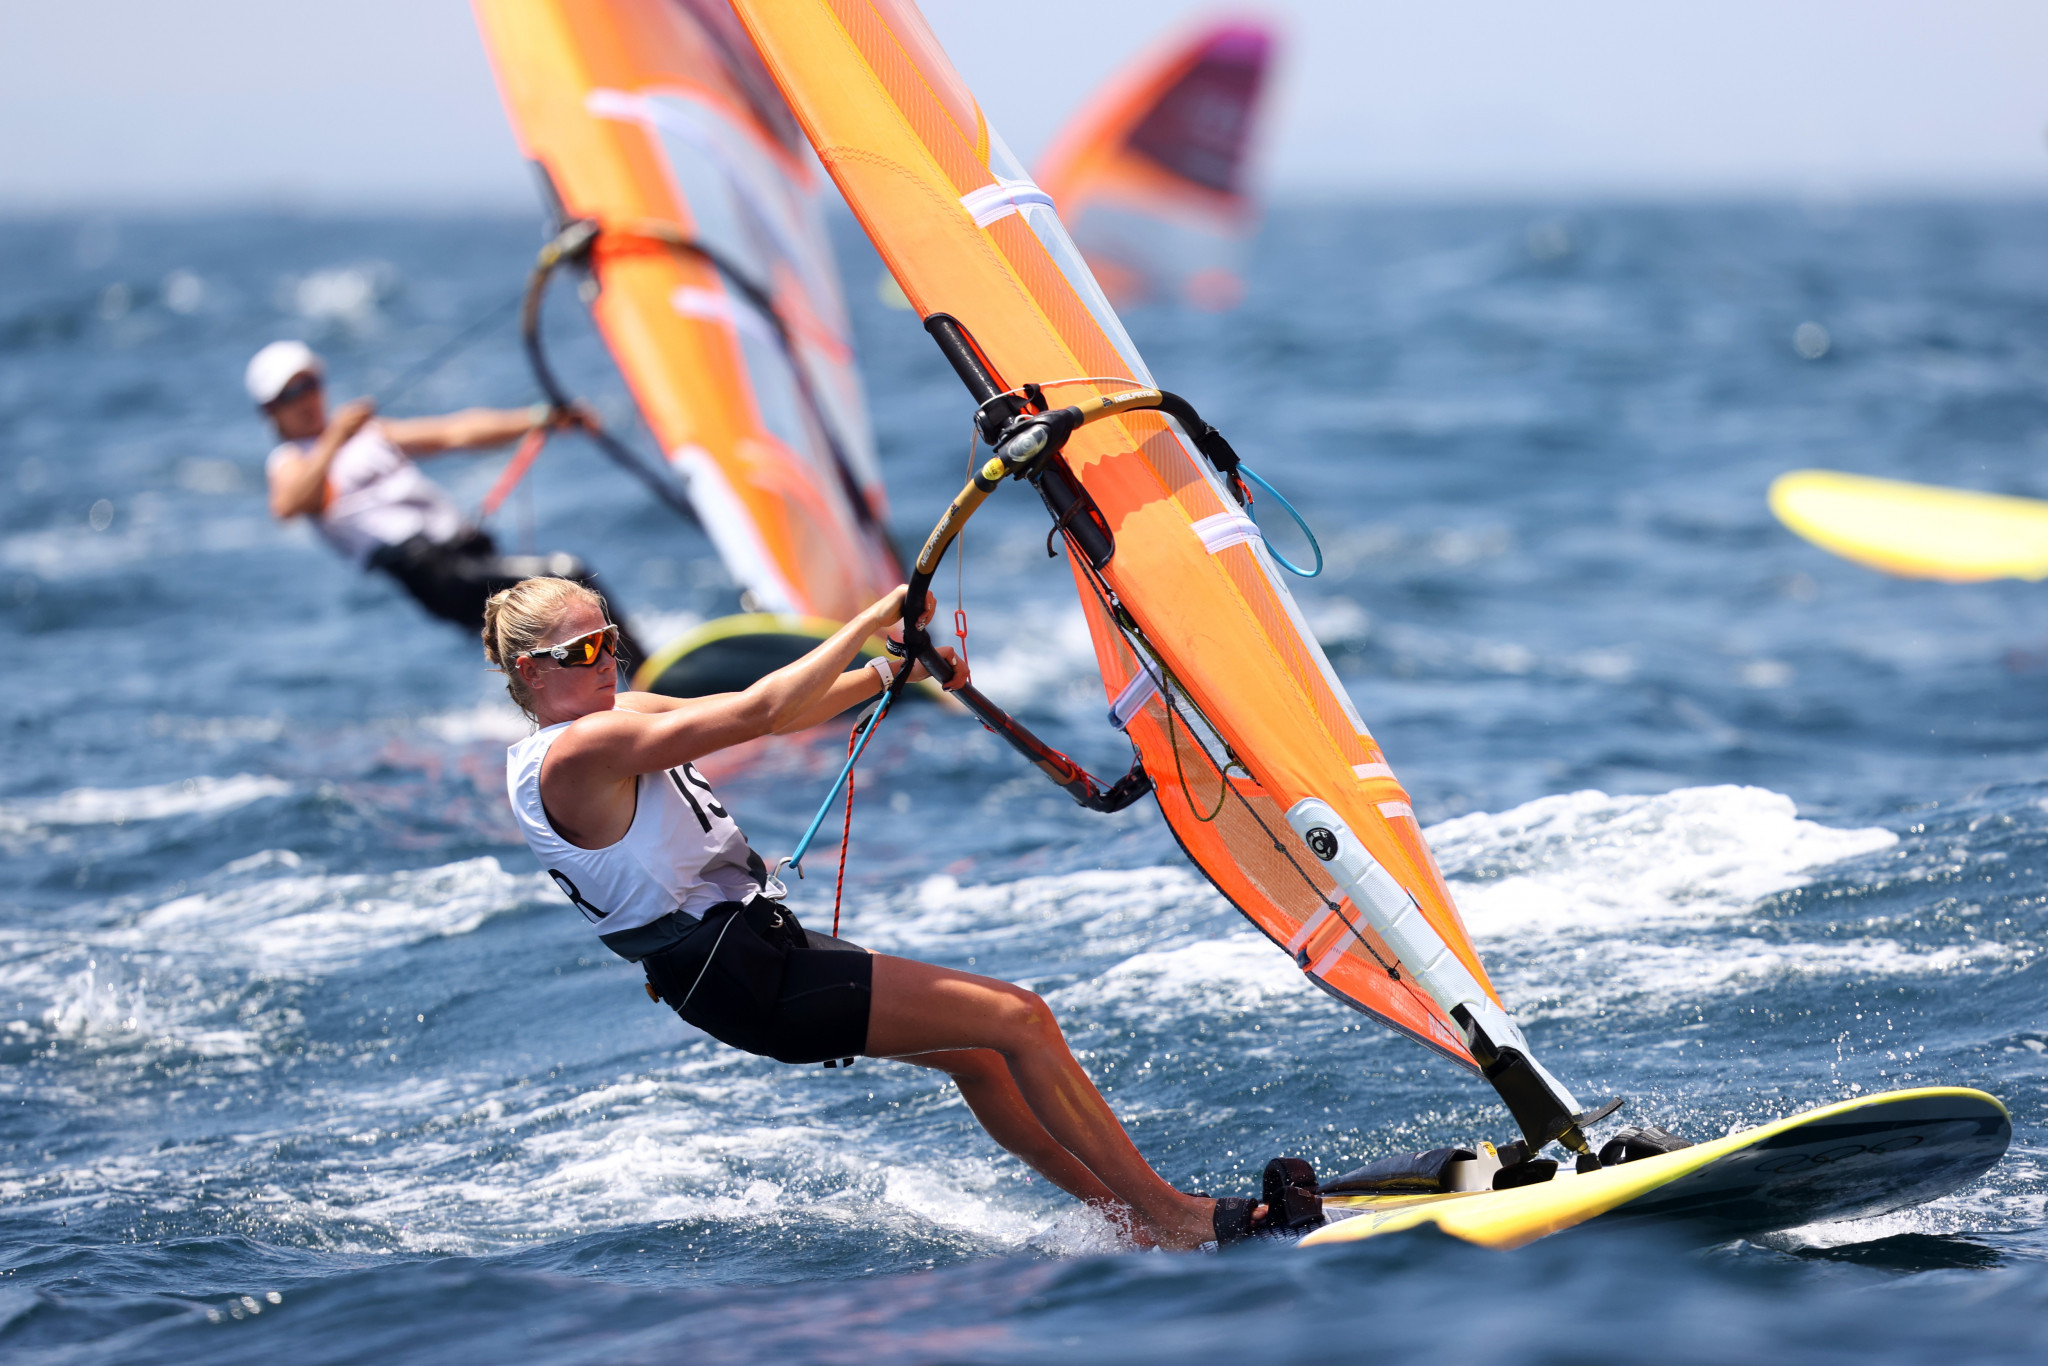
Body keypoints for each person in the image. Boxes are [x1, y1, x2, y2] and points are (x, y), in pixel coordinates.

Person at [486, 575, 1303, 1249]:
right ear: (529, 672)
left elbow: (770, 706)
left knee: (979, 1056)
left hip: (747, 953)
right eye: (582, 652)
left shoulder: (611, 718)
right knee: (1020, 1020)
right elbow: (761, 714)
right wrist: (870, 622)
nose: (607, 663)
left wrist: (891, 673)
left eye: (611, 643)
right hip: (743, 975)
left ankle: (1124, 1218)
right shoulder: (575, 753)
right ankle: (1173, 1218)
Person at [250, 339, 646, 661]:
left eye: (310, 385)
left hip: (464, 557)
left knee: (550, 628)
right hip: (435, 575)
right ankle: (648, 678)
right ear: (270, 411)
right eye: (290, 394)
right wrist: (334, 438)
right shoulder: (290, 460)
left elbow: (455, 432)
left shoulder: (370, 433)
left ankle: (596, 700)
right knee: (568, 575)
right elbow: (288, 505)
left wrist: (541, 417)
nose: (305, 399)